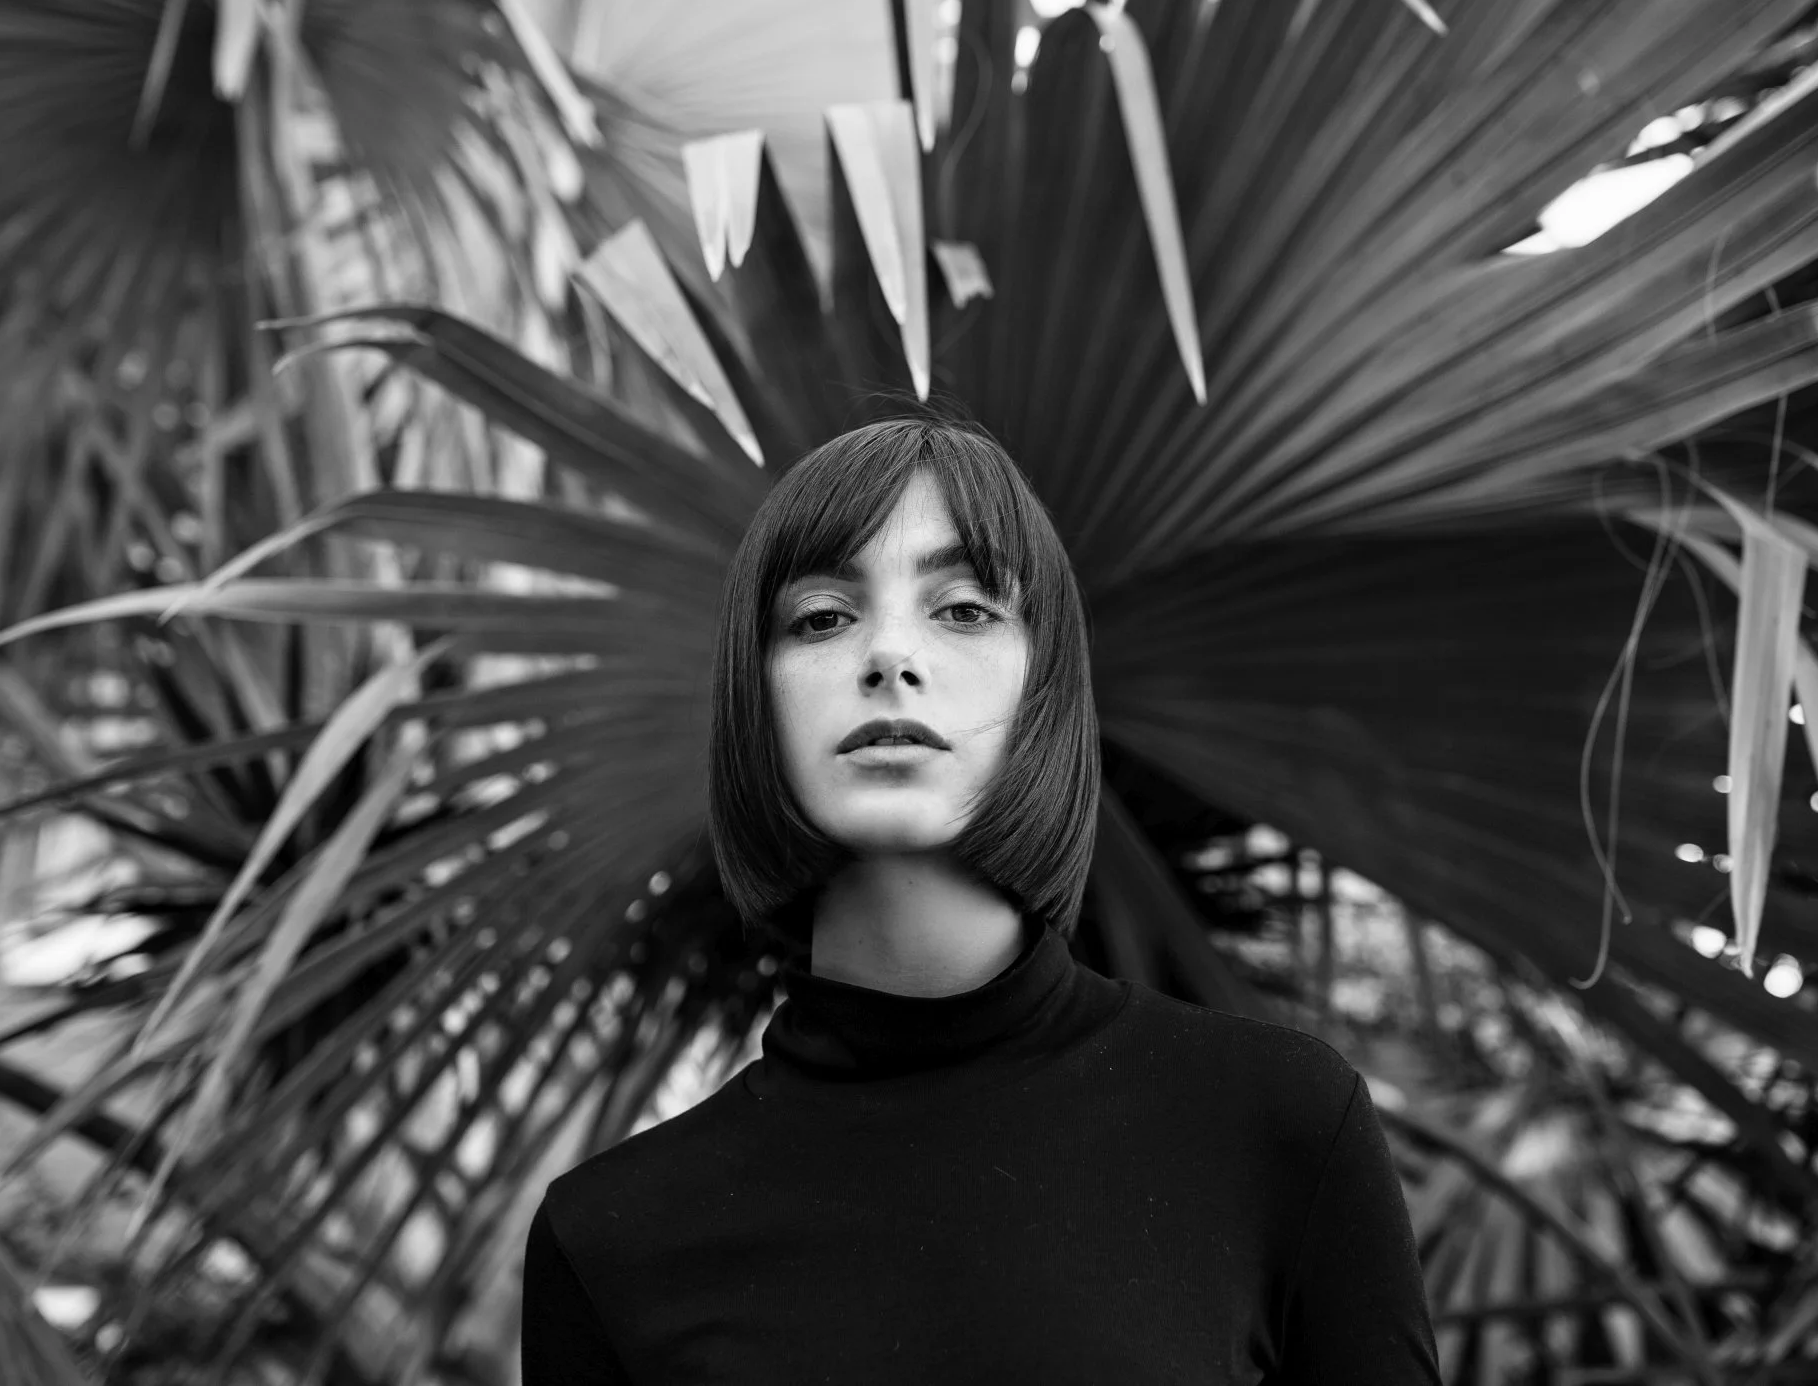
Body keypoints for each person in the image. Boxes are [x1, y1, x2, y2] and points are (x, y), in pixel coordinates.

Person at [522, 416, 1441, 1383]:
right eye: (822, 617)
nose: (888, 656)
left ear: (1045, 686)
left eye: (962, 608)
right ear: (755, 699)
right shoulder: (615, 1243)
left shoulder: (1274, 1126)